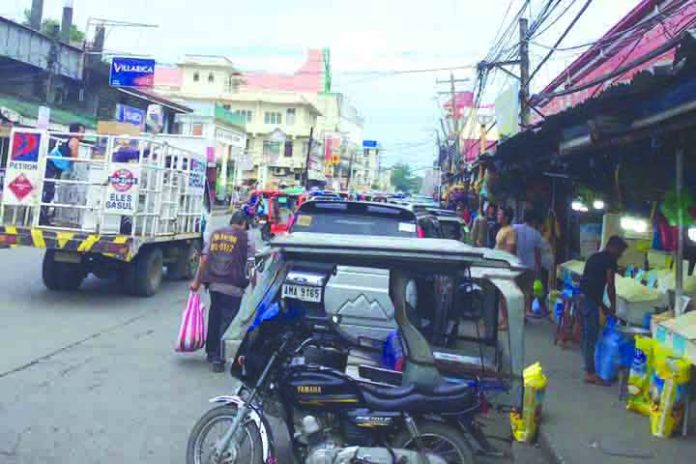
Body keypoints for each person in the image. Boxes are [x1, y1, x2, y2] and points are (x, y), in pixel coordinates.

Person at [190, 211, 255, 372]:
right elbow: (251, 266)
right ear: (244, 223)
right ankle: (219, 359)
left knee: (215, 316)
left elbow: (204, 259)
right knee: (227, 321)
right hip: (233, 288)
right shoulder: (247, 238)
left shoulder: (216, 234)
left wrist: (197, 281)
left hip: (214, 285)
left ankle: (211, 352)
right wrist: (255, 287)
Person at [579, 236, 628, 385]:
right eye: (620, 251)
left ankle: (588, 366)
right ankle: (590, 373)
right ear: (614, 247)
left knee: (587, 336)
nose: (621, 255)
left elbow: (591, 281)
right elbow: (610, 284)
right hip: (590, 301)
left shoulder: (594, 257)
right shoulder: (610, 261)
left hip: (583, 297)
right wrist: (613, 306)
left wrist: (604, 307)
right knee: (591, 337)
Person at [40, 123, 85, 225]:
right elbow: (74, 158)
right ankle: (42, 217)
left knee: (49, 191)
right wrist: (87, 161)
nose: (83, 134)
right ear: (76, 132)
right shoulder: (75, 141)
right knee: (48, 192)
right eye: (82, 132)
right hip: (51, 167)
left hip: (51, 166)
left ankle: (43, 216)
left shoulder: (66, 139)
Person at [513, 209, 543, 315]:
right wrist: (538, 270)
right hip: (529, 267)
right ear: (534, 221)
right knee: (526, 291)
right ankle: (524, 312)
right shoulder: (537, 235)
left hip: (515, 265)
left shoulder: (514, 228)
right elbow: (537, 255)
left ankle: (516, 313)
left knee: (516, 290)